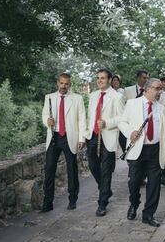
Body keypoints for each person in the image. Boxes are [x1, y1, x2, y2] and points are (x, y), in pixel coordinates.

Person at [118, 78, 165, 227]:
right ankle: (134, 203)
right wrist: (131, 132)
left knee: (154, 184)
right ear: (147, 89)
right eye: (157, 89)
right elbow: (122, 122)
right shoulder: (132, 104)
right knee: (134, 182)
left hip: (155, 150)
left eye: (161, 89)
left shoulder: (162, 108)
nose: (159, 92)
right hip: (138, 149)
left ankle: (148, 215)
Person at [41, 73, 87, 212]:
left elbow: (82, 119)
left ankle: (72, 200)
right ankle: (47, 203)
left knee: (72, 169)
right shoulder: (49, 97)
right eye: (61, 83)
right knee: (49, 170)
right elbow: (44, 115)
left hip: (69, 137)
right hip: (54, 137)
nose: (63, 86)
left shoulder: (77, 98)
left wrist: (81, 138)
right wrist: (47, 121)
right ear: (57, 83)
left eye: (66, 84)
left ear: (70, 84)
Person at [85, 69, 125, 216]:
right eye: (98, 78)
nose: (99, 80)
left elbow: (122, 117)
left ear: (109, 80)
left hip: (108, 136)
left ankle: (102, 204)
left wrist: (107, 122)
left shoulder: (117, 97)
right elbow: (90, 117)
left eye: (103, 78)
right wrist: (85, 135)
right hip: (93, 135)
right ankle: (105, 190)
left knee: (106, 170)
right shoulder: (93, 95)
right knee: (93, 166)